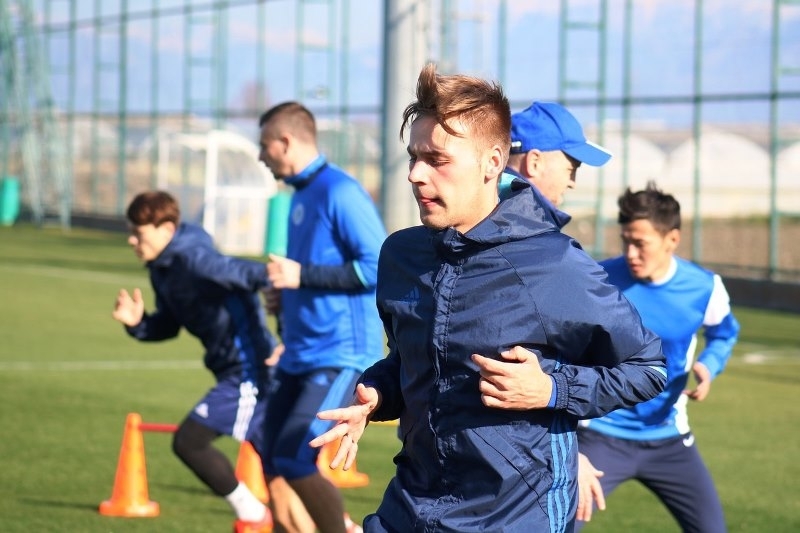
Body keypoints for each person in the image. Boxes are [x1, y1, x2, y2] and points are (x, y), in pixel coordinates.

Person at [308, 63, 667, 532]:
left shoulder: (552, 264)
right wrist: (376, 394)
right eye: (414, 157)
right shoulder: (401, 255)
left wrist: (552, 389)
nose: (416, 174)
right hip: (410, 508)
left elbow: (647, 368)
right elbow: (413, 362)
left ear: (493, 163)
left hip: (510, 519)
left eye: (437, 159)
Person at [112, 190, 311, 532]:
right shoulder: (163, 269)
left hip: (250, 373)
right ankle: (345, 526)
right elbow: (169, 324)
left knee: (189, 441)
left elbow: (265, 276)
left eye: (139, 233)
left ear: (167, 229)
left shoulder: (196, 260)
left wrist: (288, 338)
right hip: (236, 372)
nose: (132, 240)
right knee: (283, 472)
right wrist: (138, 324)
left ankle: (252, 514)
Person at [574, 182, 740, 532]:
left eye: (641, 243)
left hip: (669, 438)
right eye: (625, 241)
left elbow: (724, 333)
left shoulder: (705, 288)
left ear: (672, 240)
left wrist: (708, 366)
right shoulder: (598, 280)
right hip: (600, 434)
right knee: (558, 522)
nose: (631, 253)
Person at [257, 101, 386, 533]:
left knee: (295, 458)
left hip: (340, 355)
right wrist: (285, 298)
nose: (260, 156)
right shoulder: (299, 195)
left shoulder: (339, 192)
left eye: (264, 146)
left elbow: (377, 266)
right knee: (269, 454)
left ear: (285, 142)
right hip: (299, 354)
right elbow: (311, 275)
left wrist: (301, 276)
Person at [499, 100, 612, 211]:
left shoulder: (497, 209)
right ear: (534, 163)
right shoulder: (522, 220)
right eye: (571, 170)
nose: (572, 183)